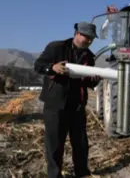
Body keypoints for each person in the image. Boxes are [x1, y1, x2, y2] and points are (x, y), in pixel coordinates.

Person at [34, 22, 102, 178]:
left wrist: (95, 79)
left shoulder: (89, 57)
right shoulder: (57, 48)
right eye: (87, 37)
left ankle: (82, 172)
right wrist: (53, 68)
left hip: (77, 105)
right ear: (77, 33)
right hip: (56, 105)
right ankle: (55, 175)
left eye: (92, 38)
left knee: (80, 143)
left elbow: (89, 83)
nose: (89, 41)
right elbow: (38, 65)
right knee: (55, 144)